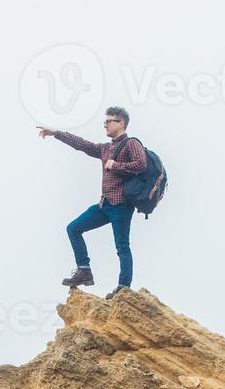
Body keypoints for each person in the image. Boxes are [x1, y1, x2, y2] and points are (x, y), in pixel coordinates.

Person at [37, 106, 146, 298]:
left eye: (109, 121)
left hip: (121, 205)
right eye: (104, 122)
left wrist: (117, 165)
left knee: (122, 246)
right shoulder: (106, 148)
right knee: (73, 228)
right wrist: (56, 133)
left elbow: (141, 164)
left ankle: (124, 287)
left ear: (121, 123)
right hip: (104, 205)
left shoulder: (131, 144)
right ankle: (84, 270)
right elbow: (83, 145)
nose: (105, 125)